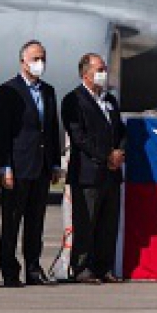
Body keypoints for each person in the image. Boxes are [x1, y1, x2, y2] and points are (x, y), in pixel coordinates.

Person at [0, 40, 63, 287]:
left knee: (36, 222)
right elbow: (2, 133)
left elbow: (52, 130)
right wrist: (5, 167)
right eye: (35, 59)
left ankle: (33, 268)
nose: (39, 63)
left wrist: (55, 163)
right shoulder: (8, 91)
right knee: (12, 222)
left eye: (42, 58)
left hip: (41, 167)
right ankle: (10, 271)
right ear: (22, 61)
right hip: (18, 167)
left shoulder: (48, 91)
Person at [62, 53, 126, 284]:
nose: (104, 73)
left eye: (105, 69)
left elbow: (120, 130)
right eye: (100, 69)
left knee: (108, 223)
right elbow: (79, 137)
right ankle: (81, 267)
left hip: (111, 172)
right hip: (87, 173)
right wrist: (106, 155)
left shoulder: (110, 100)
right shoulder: (73, 100)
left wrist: (119, 153)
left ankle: (103, 266)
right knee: (86, 222)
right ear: (86, 73)